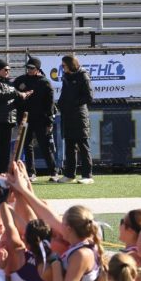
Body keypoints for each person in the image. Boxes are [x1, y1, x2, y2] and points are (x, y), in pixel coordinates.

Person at [0, 58, 31, 183]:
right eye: (5, 69)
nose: (8, 71)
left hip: (9, 120)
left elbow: (15, 100)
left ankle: (1, 176)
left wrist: (24, 95)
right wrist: (18, 94)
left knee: (5, 150)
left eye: (9, 69)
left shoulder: (11, 84)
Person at [14, 56, 58, 182]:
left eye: (31, 68)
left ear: (37, 69)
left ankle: (53, 172)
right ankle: (31, 172)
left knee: (45, 145)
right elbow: (14, 95)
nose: (29, 70)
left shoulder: (44, 82)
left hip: (40, 119)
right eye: (27, 67)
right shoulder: (20, 80)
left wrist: (49, 121)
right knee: (27, 145)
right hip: (25, 118)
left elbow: (50, 104)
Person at [55, 54, 94, 185]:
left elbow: (89, 97)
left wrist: (73, 103)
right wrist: (60, 105)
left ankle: (87, 175)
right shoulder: (66, 77)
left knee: (83, 146)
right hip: (67, 115)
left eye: (64, 65)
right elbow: (64, 94)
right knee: (69, 146)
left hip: (79, 115)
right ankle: (69, 175)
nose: (62, 67)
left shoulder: (83, 75)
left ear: (71, 64)